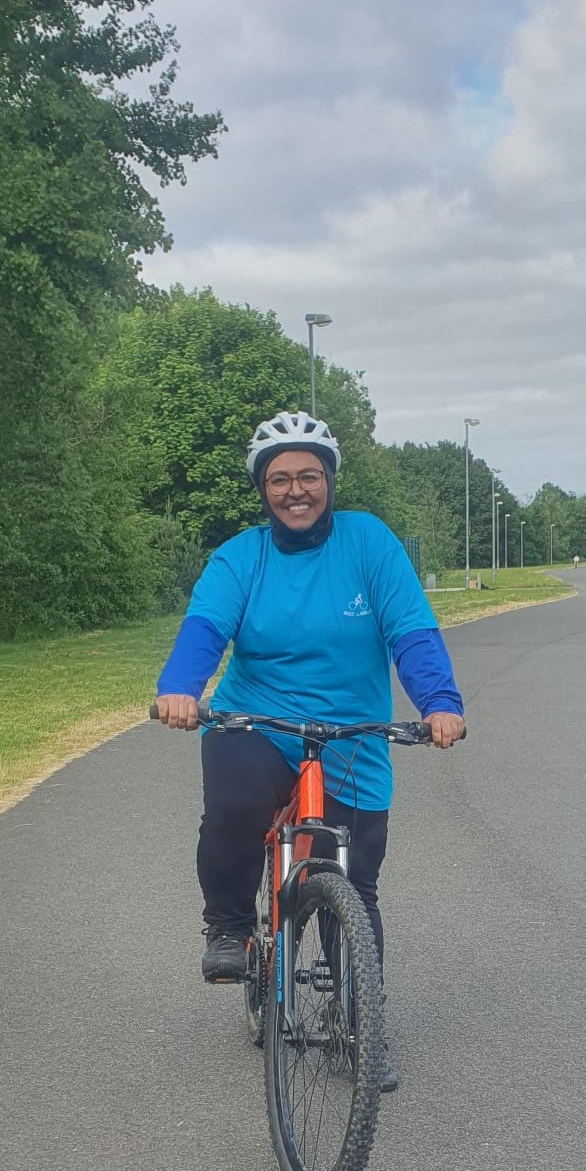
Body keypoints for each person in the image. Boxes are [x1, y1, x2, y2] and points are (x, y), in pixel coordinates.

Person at [154, 411, 465, 1092]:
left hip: (351, 731)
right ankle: (231, 926)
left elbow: (411, 630)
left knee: (352, 882)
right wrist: (180, 688)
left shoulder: (369, 543)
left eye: (308, 475)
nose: (296, 490)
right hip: (255, 719)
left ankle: (363, 1019)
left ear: (328, 479)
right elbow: (205, 628)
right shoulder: (240, 556)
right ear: (263, 489)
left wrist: (439, 702)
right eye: (280, 479)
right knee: (236, 806)